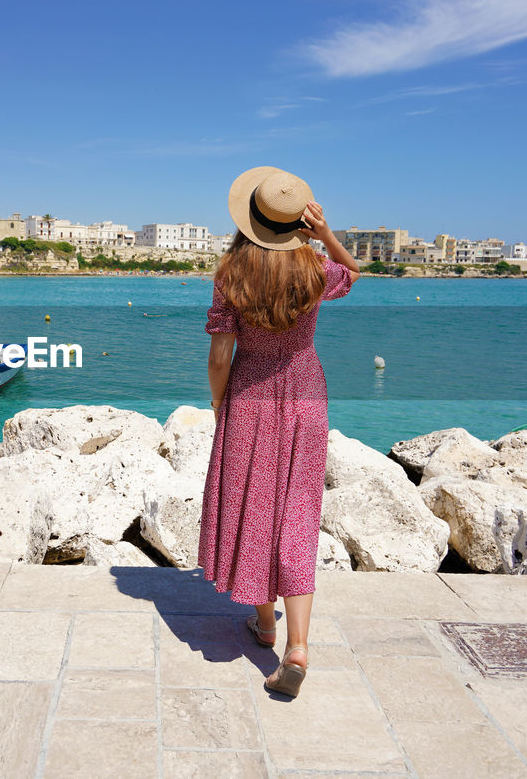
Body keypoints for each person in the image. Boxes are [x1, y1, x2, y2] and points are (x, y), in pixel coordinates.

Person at [199, 166, 360, 698]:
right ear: (297, 223)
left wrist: (220, 404)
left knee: (253, 504)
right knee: (296, 511)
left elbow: (221, 355)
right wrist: (326, 234)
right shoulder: (316, 270)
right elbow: (351, 271)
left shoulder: (231, 274)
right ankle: (295, 645)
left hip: (250, 397)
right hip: (307, 395)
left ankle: (263, 622)